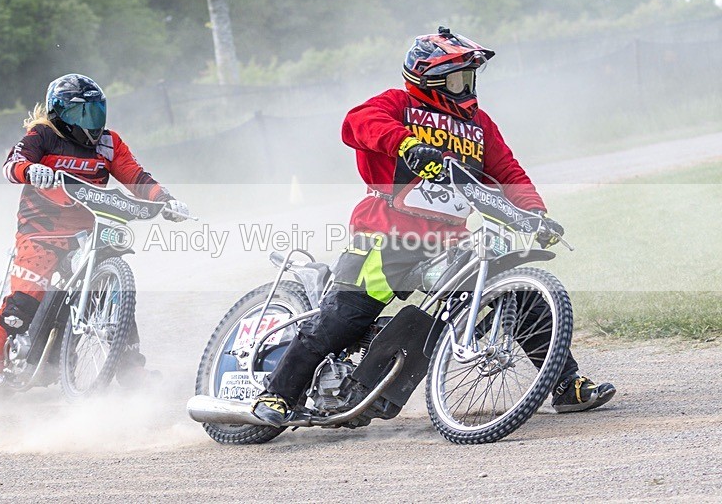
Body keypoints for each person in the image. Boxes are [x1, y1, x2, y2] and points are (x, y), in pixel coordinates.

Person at [251, 28, 615, 426]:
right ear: (430, 79)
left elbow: (508, 171)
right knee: (342, 319)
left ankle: (565, 384)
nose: (467, 85)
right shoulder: (398, 104)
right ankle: (278, 395)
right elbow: (356, 123)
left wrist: (536, 213)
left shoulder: (479, 125)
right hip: (385, 238)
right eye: (458, 78)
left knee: (517, 296)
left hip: (447, 244)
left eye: (469, 77)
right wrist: (407, 143)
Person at [0, 73, 191, 388]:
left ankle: (130, 372)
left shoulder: (109, 143)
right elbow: (12, 163)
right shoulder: (42, 135)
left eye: (95, 110)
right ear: (58, 112)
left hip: (90, 231)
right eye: (80, 112)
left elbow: (134, 175)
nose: (91, 120)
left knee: (114, 296)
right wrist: (32, 169)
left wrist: (165, 200)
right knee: (22, 303)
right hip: (40, 231)